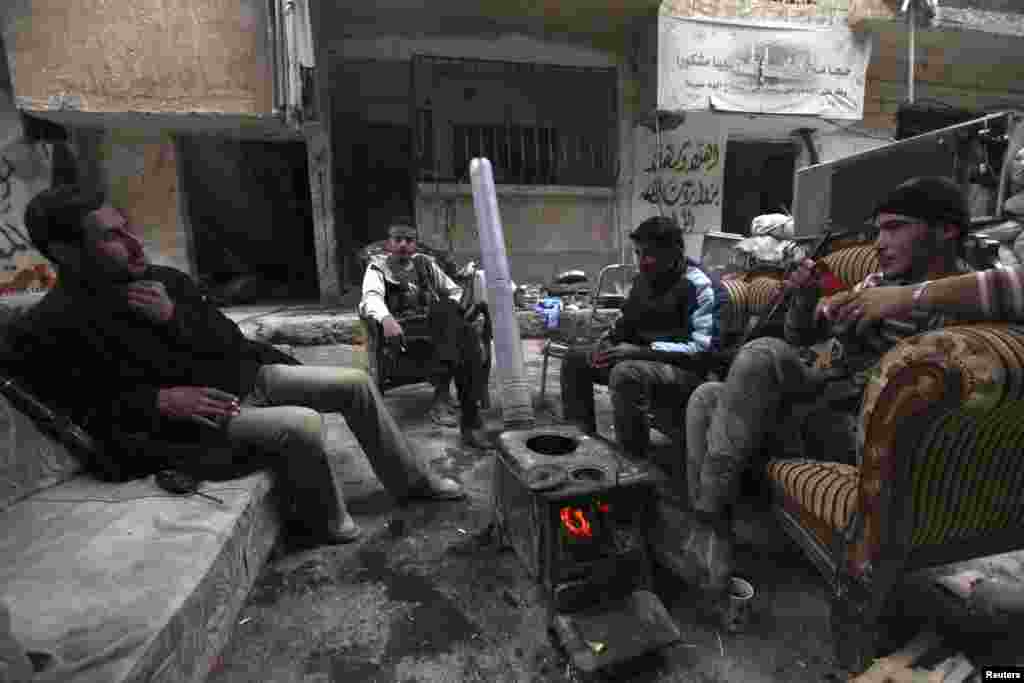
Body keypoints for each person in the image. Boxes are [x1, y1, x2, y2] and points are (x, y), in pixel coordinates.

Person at [3, 186, 465, 548]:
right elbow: (76, 409)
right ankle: (329, 523)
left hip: (247, 376)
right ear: (65, 252)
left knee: (356, 383)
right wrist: (156, 401)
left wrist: (174, 318)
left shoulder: (165, 282)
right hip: (207, 417)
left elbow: (229, 339)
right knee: (302, 425)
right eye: (109, 236)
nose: (132, 241)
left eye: (126, 227)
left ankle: (413, 483)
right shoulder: (55, 323)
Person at [677, 175, 993, 596]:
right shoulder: (877, 282)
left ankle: (711, 529)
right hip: (824, 403)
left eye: (895, 227)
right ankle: (713, 529)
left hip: (869, 432)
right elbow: (801, 336)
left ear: (947, 230)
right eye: (878, 229)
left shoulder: (967, 294)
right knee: (706, 397)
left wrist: (894, 313)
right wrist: (809, 300)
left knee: (761, 354)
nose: (879, 242)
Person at [560, 215, 727, 460]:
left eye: (650, 254)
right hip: (642, 361)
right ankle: (582, 447)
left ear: (676, 251)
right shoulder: (643, 282)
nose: (643, 262)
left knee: (626, 373)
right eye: (638, 254)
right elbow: (623, 324)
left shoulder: (700, 285)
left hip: (688, 372)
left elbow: (702, 350)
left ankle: (633, 465)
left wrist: (640, 351)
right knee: (576, 359)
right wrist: (606, 342)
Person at [359, 220, 488, 448]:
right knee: (467, 344)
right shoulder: (378, 268)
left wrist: (454, 306)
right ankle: (467, 417)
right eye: (397, 240)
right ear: (389, 244)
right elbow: (371, 298)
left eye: (408, 240)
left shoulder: (425, 264)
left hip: (436, 325)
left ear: (415, 245)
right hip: (404, 330)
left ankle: (447, 393)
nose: (403, 245)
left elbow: (453, 290)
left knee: (449, 312)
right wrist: (386, 319)